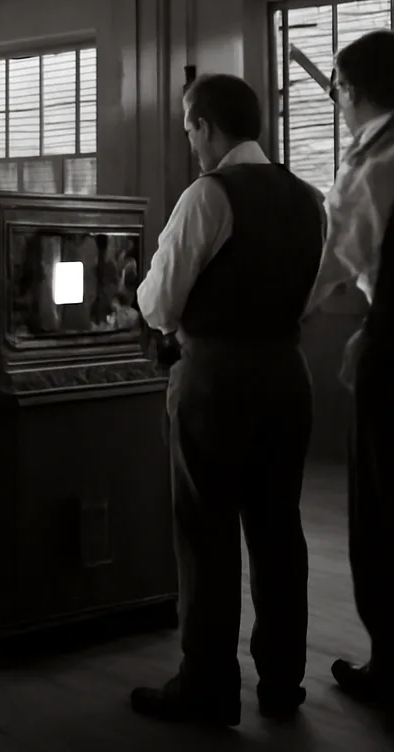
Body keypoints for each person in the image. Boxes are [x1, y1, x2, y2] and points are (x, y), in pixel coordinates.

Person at [131, 73, 325, 727]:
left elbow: (160, 304)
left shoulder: (208, 195)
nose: (188, 140)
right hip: (286, 373)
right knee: (278, 528)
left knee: (206, 531)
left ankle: (208, 686)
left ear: (206, 126)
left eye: (188, 127)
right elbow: (316, 291)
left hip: (215, 376)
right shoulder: (310, 199)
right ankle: (283, 682)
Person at [301, 28, 394, 715]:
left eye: (336, 87)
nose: (334, 98)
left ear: (352, 90)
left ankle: (391, 663)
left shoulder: (373, 168)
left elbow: (324, 266)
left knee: (382, 509)